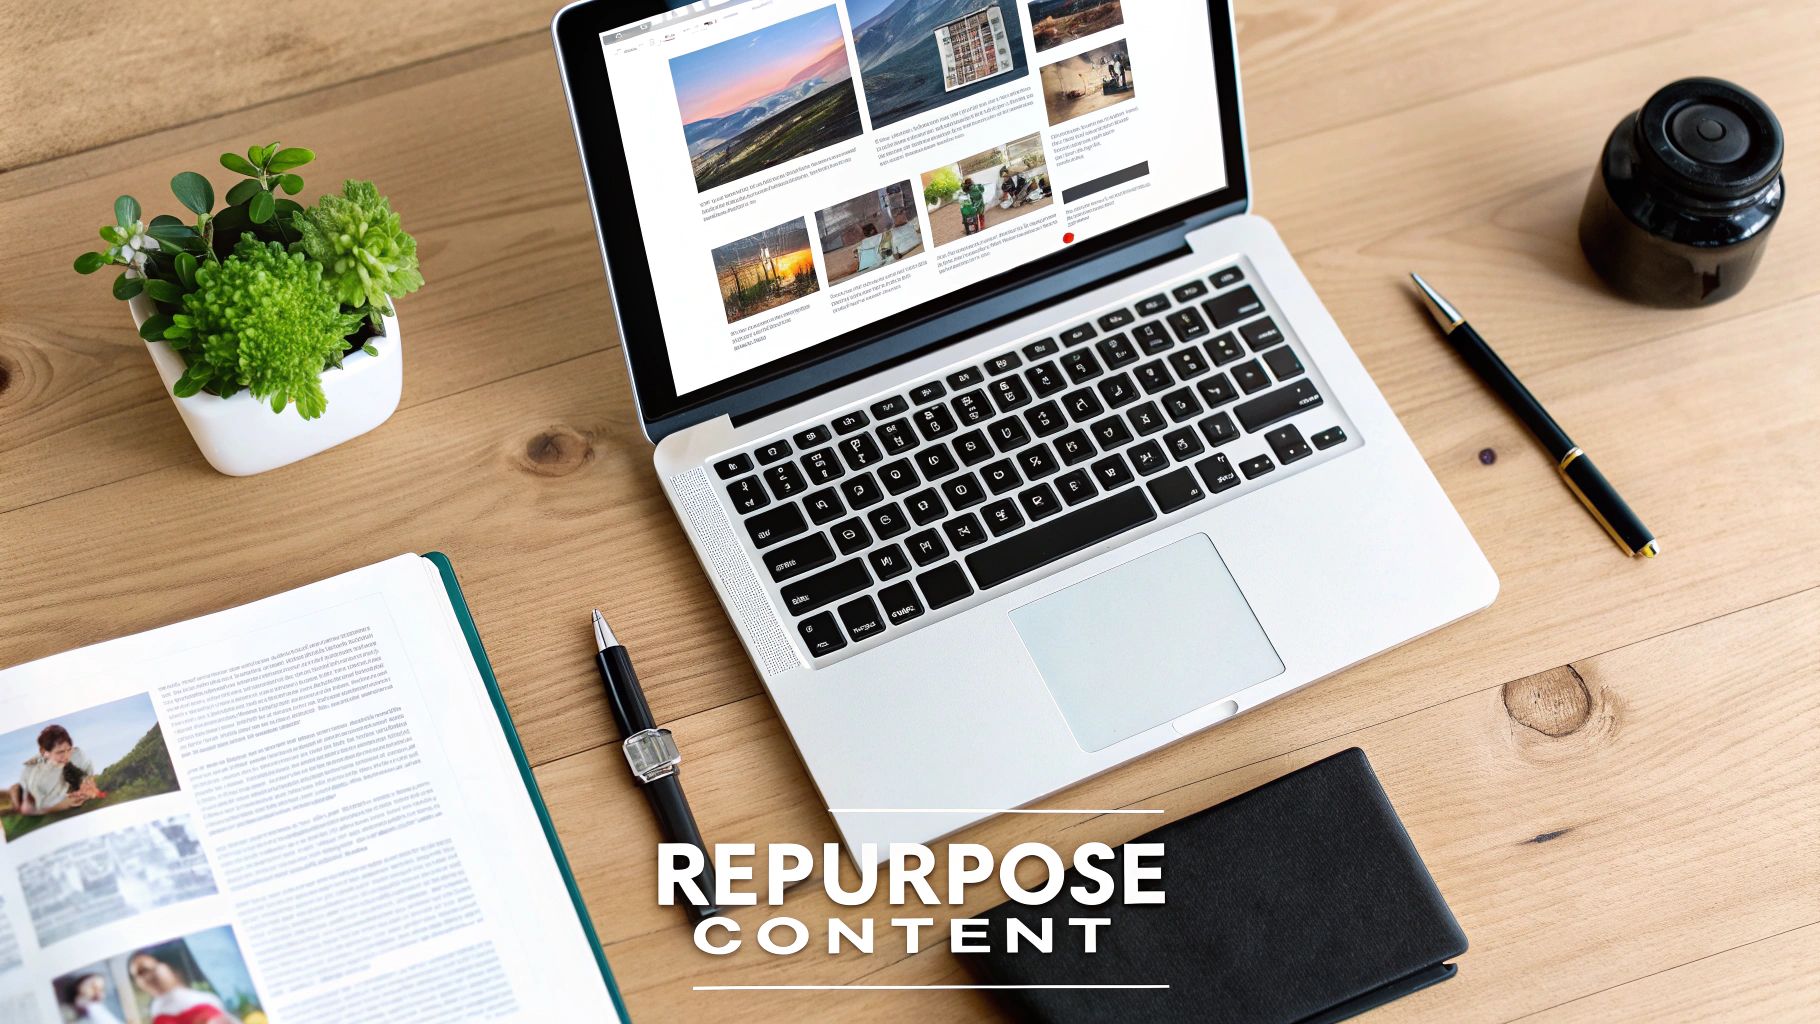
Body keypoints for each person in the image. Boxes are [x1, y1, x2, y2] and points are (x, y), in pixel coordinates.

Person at [8, 725, 100, 817]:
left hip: (58, 774)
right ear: (44, 752)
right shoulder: (38, 776)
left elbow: (89, 774)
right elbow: (40, 805)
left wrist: (87, 783)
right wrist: (64, 804)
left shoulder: (77, 755)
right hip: (30, 789)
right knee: (24, 806)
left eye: (68, 749)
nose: (66, 756)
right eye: (60, 752)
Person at [128, 950, 243, 1024]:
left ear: (167, 966)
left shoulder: (207, 999)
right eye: (138, 976)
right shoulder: (155, 1009)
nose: (146, 978)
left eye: (147, 970)